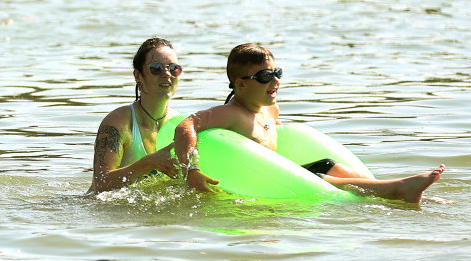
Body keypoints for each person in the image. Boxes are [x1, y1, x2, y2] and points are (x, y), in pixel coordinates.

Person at [174, 43, 444, 203]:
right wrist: (192, 169)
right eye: (266, 76)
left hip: (284, 175)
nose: (276, 81)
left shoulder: (271, 111)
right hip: (265, 183)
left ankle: (397, 189)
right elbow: (185, 126)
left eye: (277, 73)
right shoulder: (230, 113)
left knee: (327, 164)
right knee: (320, 177)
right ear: (241, 84)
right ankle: (398, 189)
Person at [90, 37, 183, 193]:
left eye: (173, 68)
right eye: (156, 68)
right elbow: (100, 184)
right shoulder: (119, 123)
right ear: (138, 75)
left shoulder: (180, 124)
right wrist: (150, 162)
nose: (167, 74)